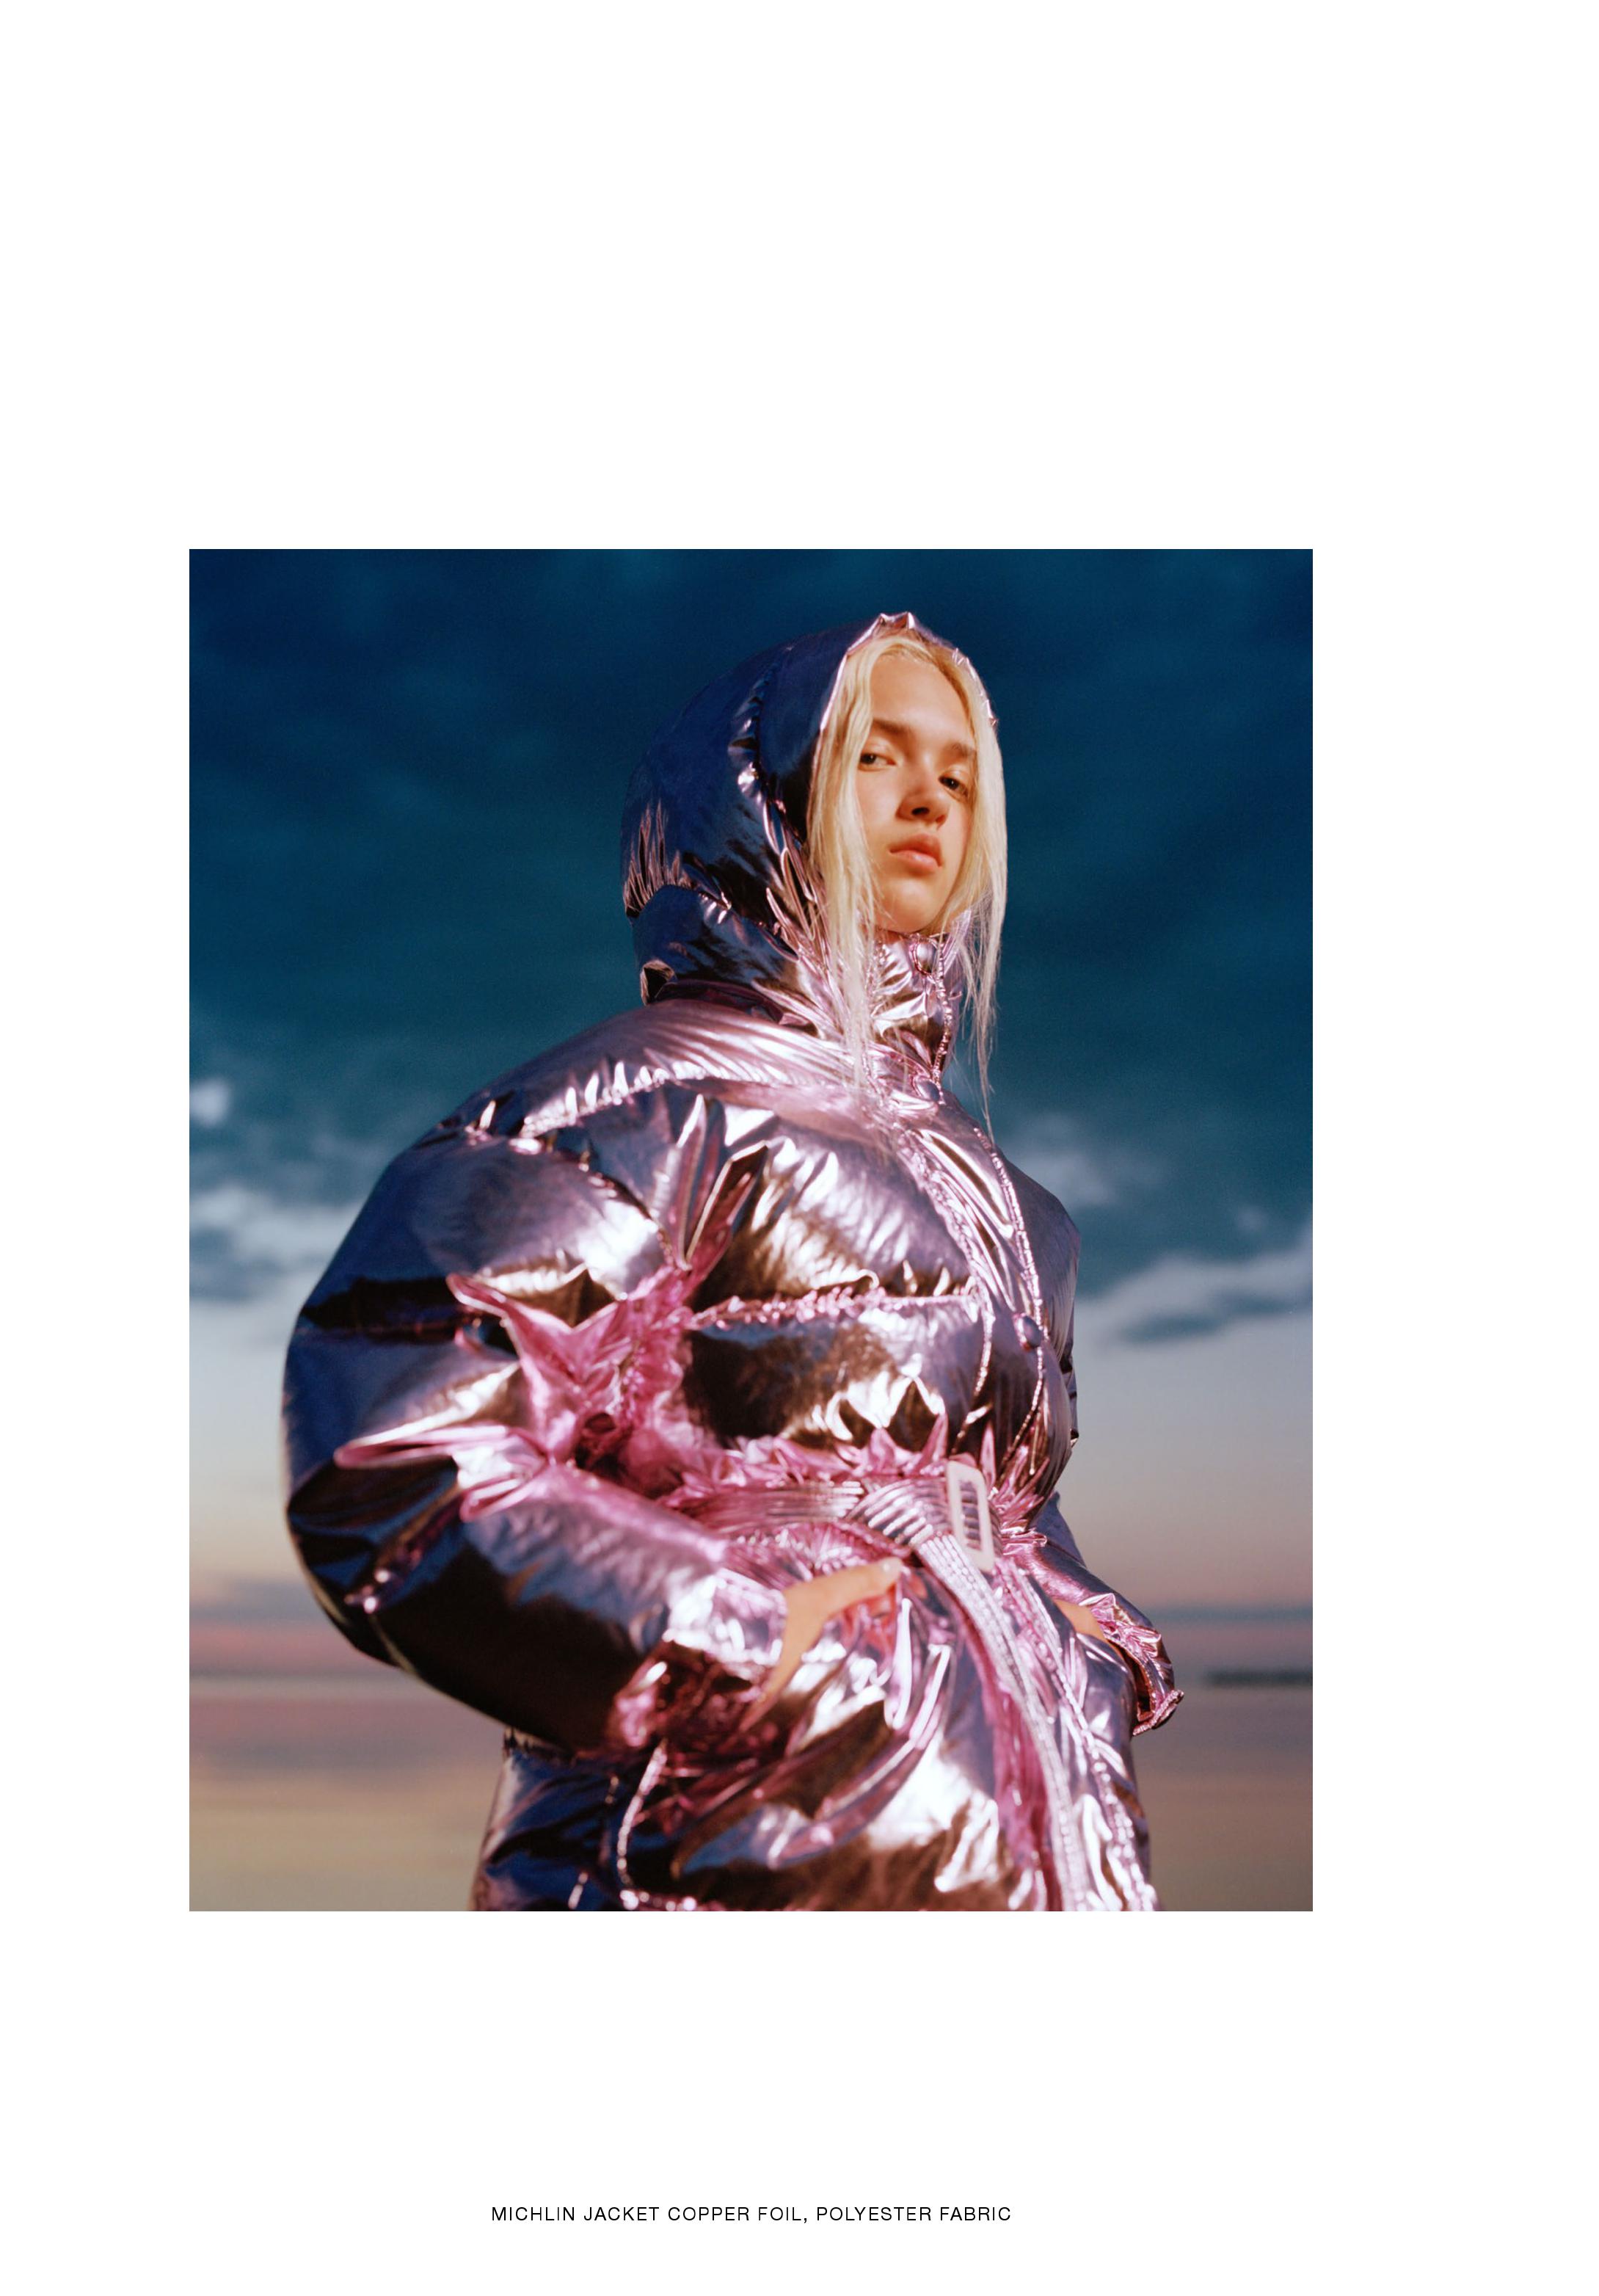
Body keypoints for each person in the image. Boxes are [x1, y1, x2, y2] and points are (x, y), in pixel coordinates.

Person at [283, 611, 1180, 1909]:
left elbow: (1001, 1492)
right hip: (713, 1846)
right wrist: (732, 1631)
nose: (928, 797)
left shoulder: (1005, 1196)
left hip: (1015, 1833)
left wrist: (1080, 1627)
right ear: (760, 793)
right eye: (874, 754)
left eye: (958, 772)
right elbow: (399, 1451)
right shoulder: (634, 1108)